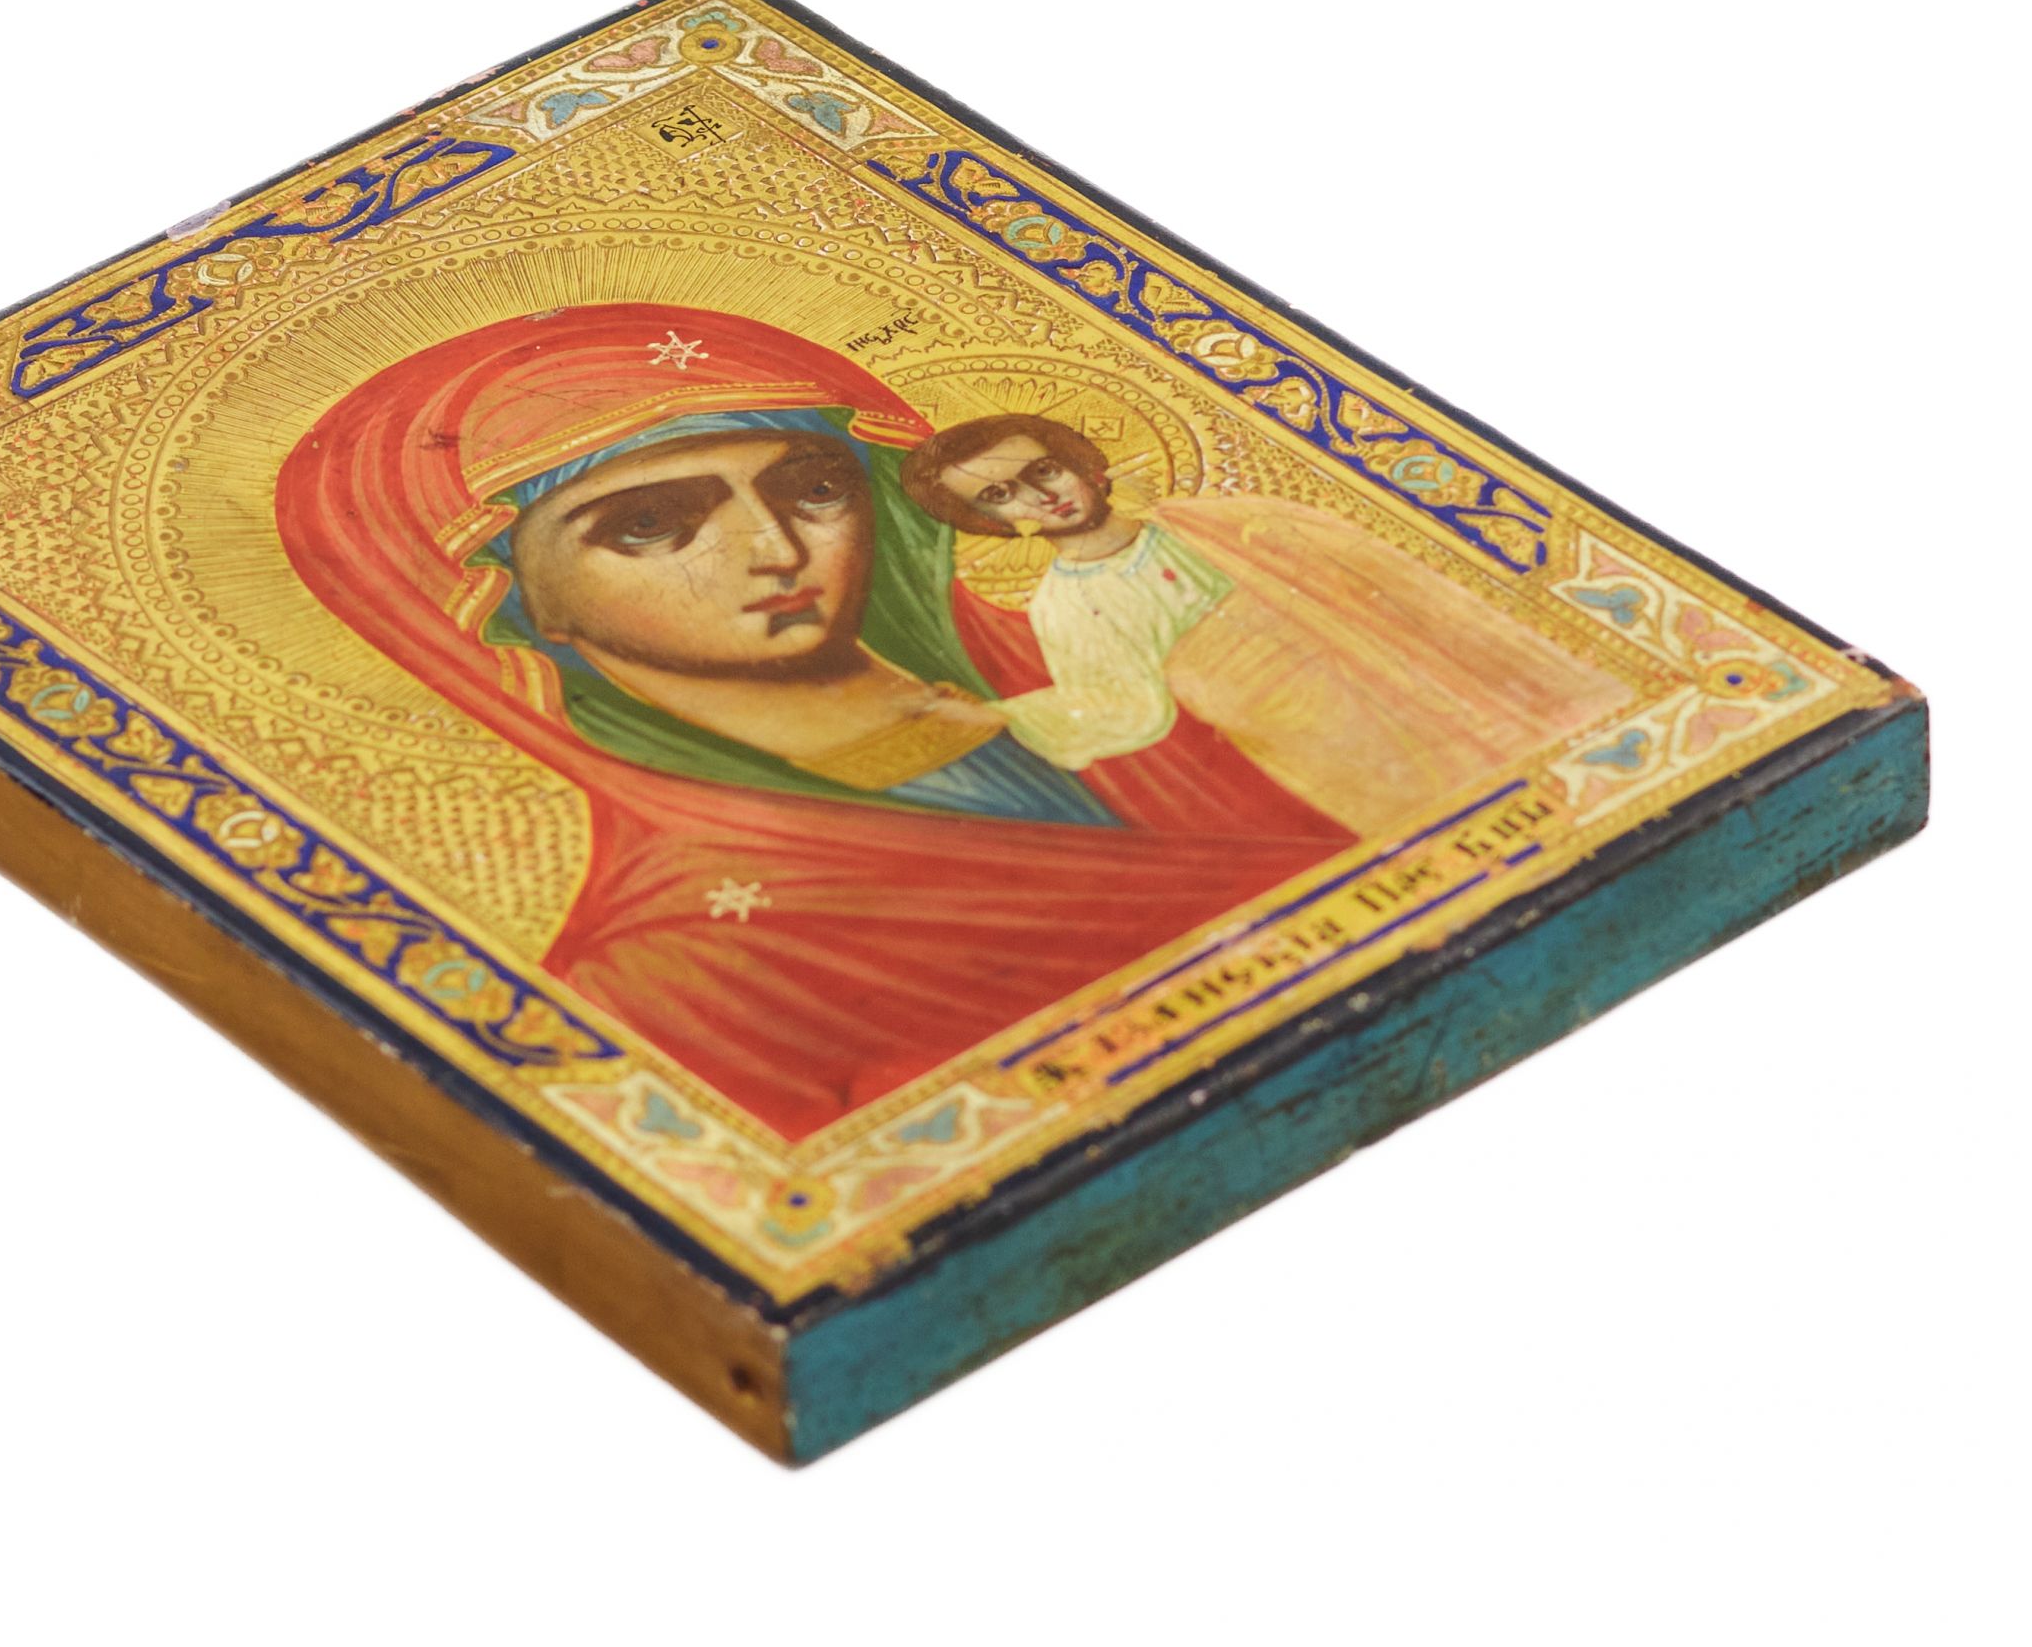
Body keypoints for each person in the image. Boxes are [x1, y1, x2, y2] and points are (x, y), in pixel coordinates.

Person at [276, 306, 1351, 1140]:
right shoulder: (672, 963)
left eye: (815, 485)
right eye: (648, 523)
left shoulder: (1113, 656)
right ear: (503, 598)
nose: (779, 549)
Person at [902, 413, 1633, 835]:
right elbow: (1122, 708)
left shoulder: (1226, 522)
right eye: (1002, 494)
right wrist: (1001, 717)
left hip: (1404, 672)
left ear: (1075, 463)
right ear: (989, 521)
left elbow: (1397, 581)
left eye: (1043, 472)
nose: (1039, 497)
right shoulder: (1065, 605)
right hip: (1311, 735)